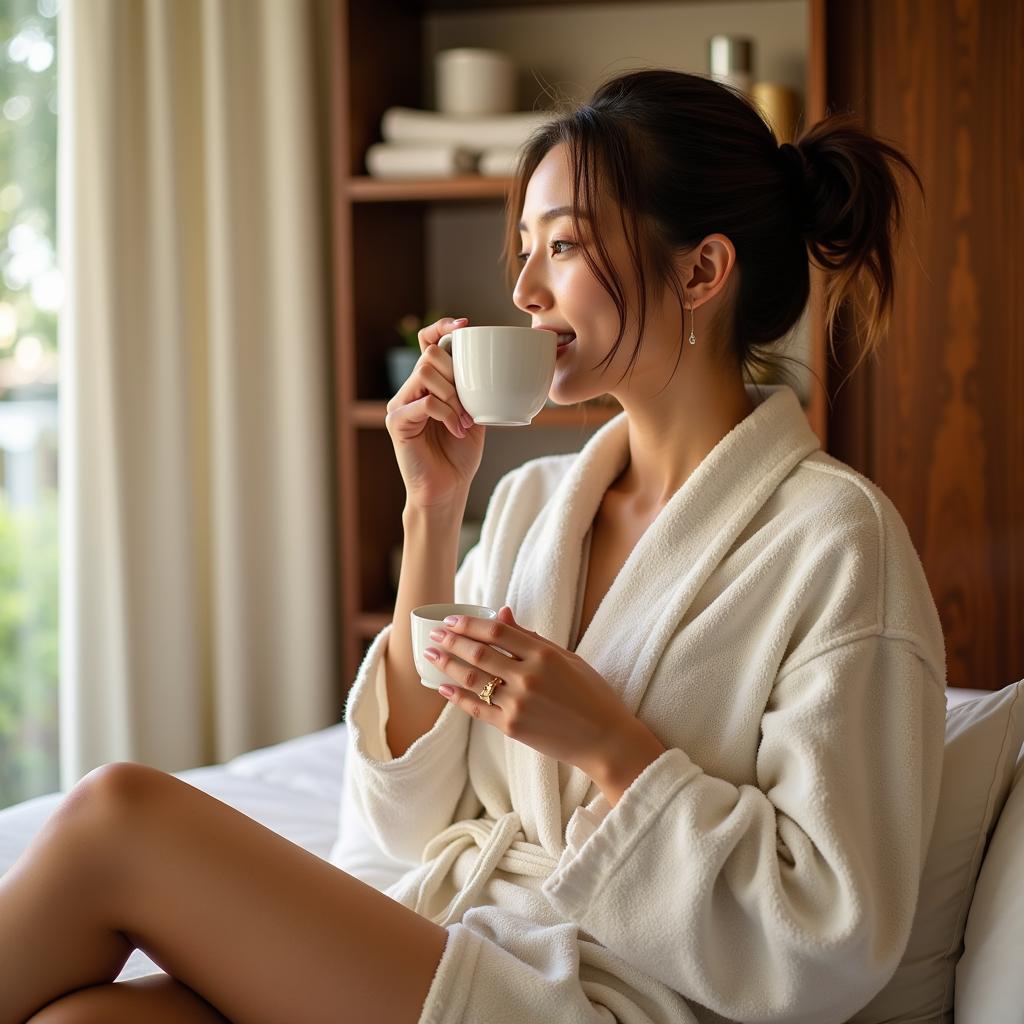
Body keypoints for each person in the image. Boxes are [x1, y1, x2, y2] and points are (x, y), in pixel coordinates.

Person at [0, 68, 946, 1024]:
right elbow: (400, 824)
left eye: (565, 244)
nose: (524, 289)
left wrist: (616, 752)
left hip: (614, 999)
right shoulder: (537, 504)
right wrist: (433, 510)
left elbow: (830, 941)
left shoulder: (836, 544)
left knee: (118, 819)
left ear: (701, 272)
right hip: (469, 943)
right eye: (525, 247)